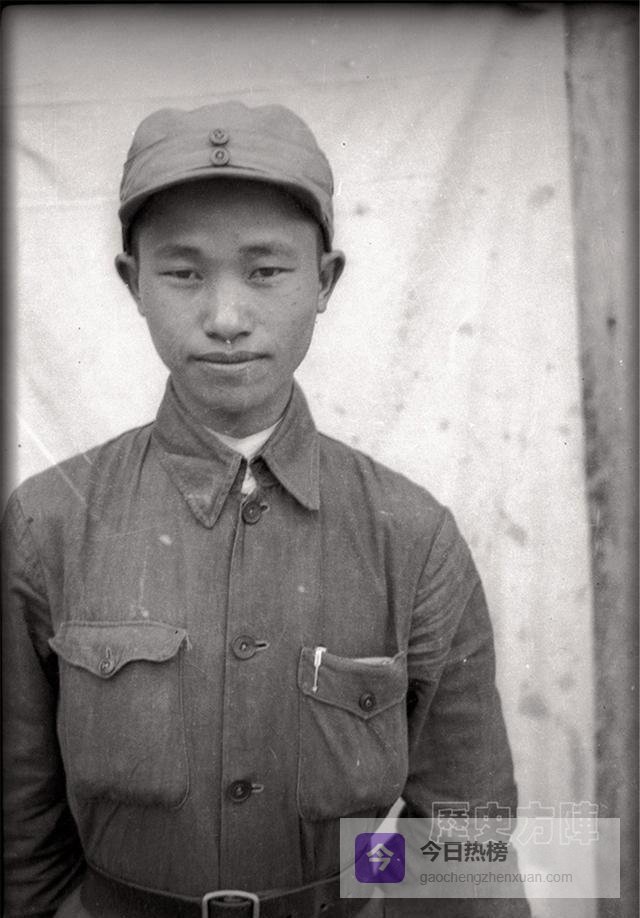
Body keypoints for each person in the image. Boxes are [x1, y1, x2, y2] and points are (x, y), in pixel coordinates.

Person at [2, 101, 529, 918]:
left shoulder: (412, 538)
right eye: (183, 273)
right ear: (131, 282)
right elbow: (19, 838)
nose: (225, 319)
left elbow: (466, 840)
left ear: (325, 281)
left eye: (266, 271)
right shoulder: (47, 526)